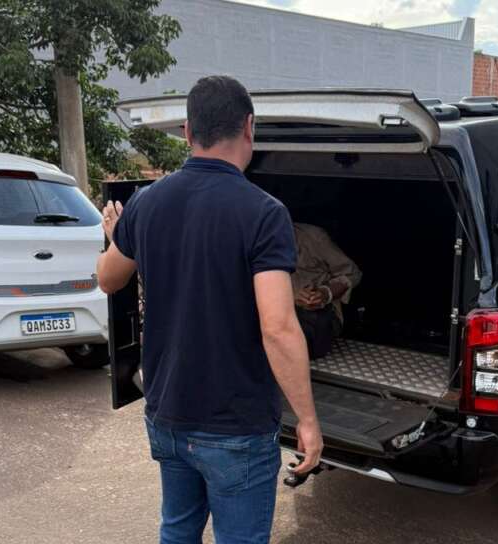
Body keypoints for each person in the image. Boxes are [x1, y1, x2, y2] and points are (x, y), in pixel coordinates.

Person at [96, 75, 323, 544]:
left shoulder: (146, 202)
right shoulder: (264, 213)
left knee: (177, 531)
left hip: (168, 414)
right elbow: (278, 327)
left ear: (187, 132)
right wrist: (307, 418)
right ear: (249, 127)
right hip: (236, 426)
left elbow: (108, 278)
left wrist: (118, 235)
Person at [291, 223, 362, 359]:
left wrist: (325, 293)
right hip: (271, 314)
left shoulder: (313, 236)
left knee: (299, 337)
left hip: (313, 315)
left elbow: (352, 273)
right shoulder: (252, 239)